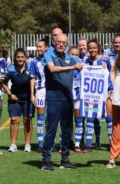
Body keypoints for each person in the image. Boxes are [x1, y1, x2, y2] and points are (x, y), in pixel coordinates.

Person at [41, 34, 83, 171]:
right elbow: (52, 69)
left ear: (67, 44)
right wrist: (72, 67)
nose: (61, 44)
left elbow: (84, 64)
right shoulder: (49, 55)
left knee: (67, 130)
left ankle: (65, 159)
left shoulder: (71, 58)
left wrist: (102, 62)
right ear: (54, 42)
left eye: (64, 42)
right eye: (58, 42)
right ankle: (46, 160)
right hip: (54, 98)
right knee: (51, 129)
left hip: (68, 98)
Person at [80, 39, 112, 152]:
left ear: (98, 48)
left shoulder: (105, 61)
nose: (92, 49)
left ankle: (111, 144)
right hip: (91, 95)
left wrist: (110, 91)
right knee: (90, 118)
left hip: (105, 94)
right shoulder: (85, 61)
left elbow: (111, 76)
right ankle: (89, 145)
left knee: (109, 118)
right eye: (90, 48)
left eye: (94, 47)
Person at [2, 48, 34, 153]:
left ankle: (28, 144)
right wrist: (10, 94)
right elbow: (3, 83)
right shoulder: (10, 69)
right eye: (18, 57)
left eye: (22, 57)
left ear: (25, 58)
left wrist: (33, 95)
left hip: (28, 98)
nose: (20, 59)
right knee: (14, 120)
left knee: (27, 120)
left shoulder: (30, 68)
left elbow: (34, 80)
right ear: (15, 58)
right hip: (15, 98)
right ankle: (13, 144)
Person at [30, 38, 48, 152]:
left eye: (40, 46)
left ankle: (50, 142)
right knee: (40, 119)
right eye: (37, 47)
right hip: (40, 91)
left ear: (46, 47)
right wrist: (32, 95)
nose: (38, 49)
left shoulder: (51, 59)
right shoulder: (34, 62)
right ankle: (41, 144)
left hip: (52, 91)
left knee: (51, 119)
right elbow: (32, 79)